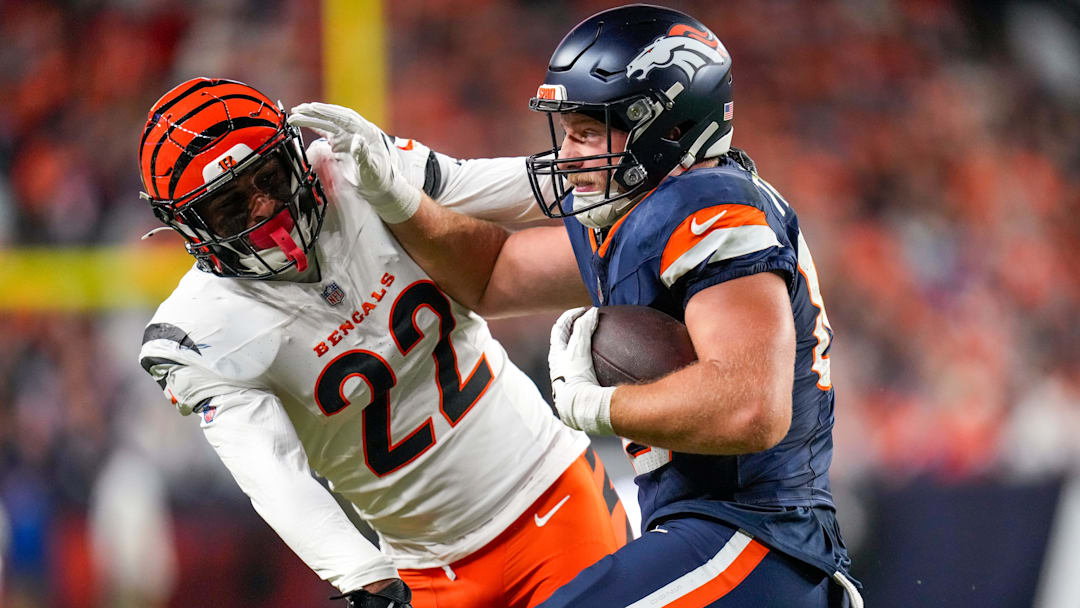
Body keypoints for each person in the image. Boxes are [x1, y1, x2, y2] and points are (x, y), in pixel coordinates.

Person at [292, 4, 864, 606]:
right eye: (566, 131)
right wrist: (395, 195)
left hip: (758, 538)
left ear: (667, 127)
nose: (568, 154)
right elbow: (491, 276)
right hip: (708, 532)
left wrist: (601, 406)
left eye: (588, 132)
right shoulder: (638, 215)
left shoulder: (711, 209)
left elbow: (753, 408)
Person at [136, 77, 631, 608]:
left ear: (295, 156)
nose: (262, 211)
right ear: (189, 227)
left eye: (269, 178)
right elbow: (273, 471)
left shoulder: (355, 170)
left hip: (551, 496)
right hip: (421, 567)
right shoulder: (200, 331)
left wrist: (649, 177)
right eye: (230, 207)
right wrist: (361, 573)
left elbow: (526, 187)